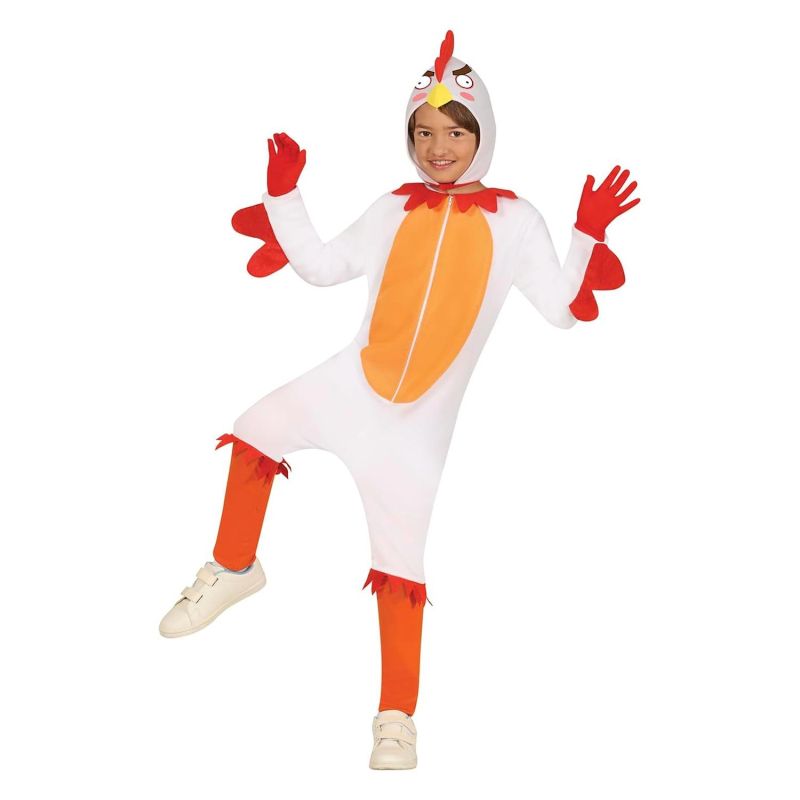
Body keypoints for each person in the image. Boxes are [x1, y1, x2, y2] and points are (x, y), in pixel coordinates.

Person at [158, 29, 639, 770]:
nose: (438, 147)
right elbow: (323, 266)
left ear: (483, 136)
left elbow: (563, 311)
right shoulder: (392, 208)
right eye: (423, 132)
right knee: (256, 429)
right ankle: (234, 568)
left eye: (455, 132)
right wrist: (285, 196)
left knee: (399, 566)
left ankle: (396, 718)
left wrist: (586, 236)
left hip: (416, 432)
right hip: (348, 386)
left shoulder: (516, 222)